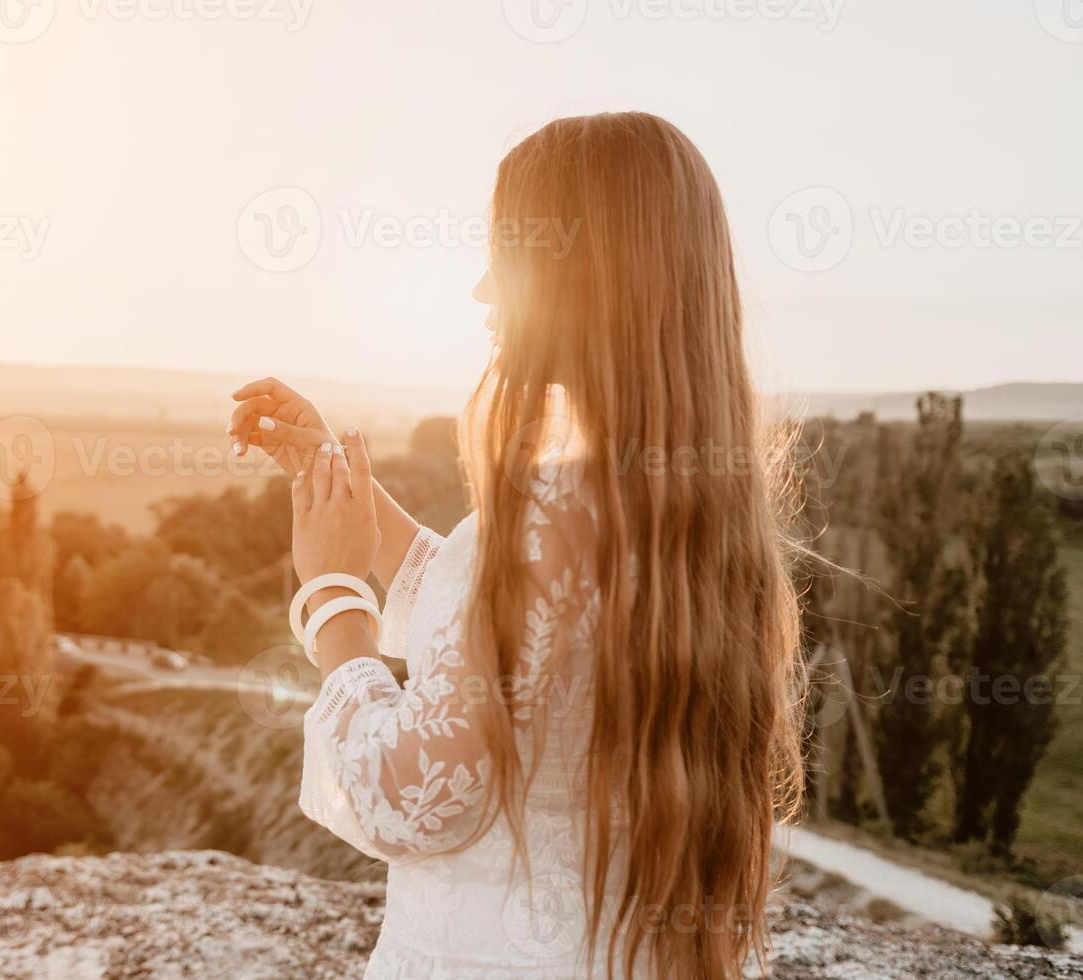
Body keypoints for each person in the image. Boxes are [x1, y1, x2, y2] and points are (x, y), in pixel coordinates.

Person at [226, 112, 805, 979]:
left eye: (506, 250)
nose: (482, 292)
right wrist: (342, 484)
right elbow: (501, 638)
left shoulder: (554, 506)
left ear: (580, 275)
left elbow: (408, 800)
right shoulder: (691, 498)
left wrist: (333, 598)